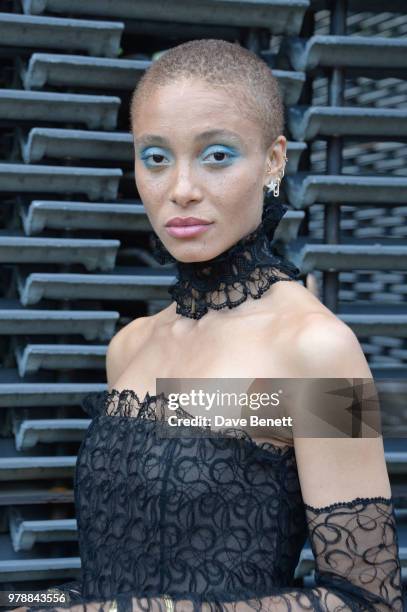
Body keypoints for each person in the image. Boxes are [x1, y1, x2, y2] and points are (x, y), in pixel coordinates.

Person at [18, 39, 403, 612]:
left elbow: (367, 600)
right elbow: (107, 586)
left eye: (216, 155)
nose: (181, 188)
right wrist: (29, 598)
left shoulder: (317, 350)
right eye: (155, 157)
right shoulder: (132, 347)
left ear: (274, 160)